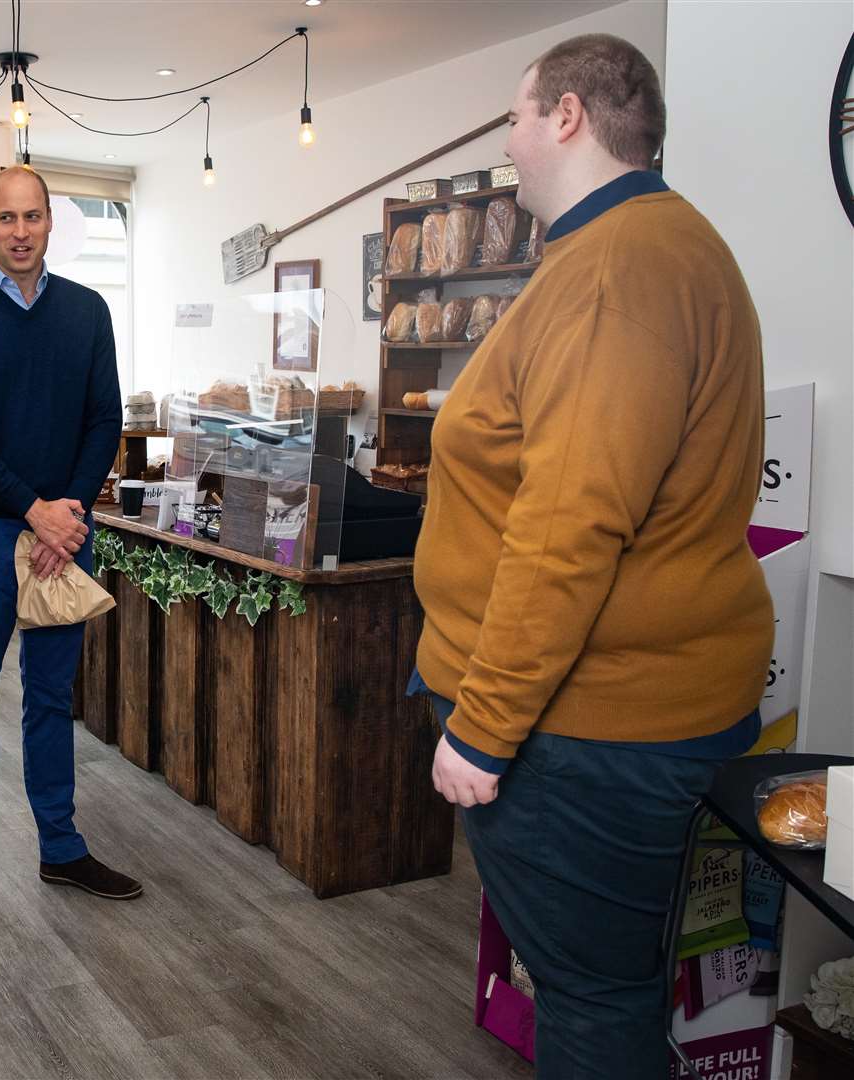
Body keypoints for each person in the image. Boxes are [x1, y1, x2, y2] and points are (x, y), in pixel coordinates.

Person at [412, 33, 774, 1077]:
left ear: (568, 116)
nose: (510, 145)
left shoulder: (616, 270)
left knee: (594, 1007)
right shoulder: (639, 248)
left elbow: (571, 526)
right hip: (609, 715)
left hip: (587, 728)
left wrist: (481, 730)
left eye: (516, 119)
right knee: (611, 990)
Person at [0, 166, 139, 929]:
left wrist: (67, 514)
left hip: (66, 534)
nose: (20, 231)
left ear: (52, 224)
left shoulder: (87, 312)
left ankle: (60, 845)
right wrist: (31, 509)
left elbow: (102, 419)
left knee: (50, 700)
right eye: (6, 217)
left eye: (33, 217)